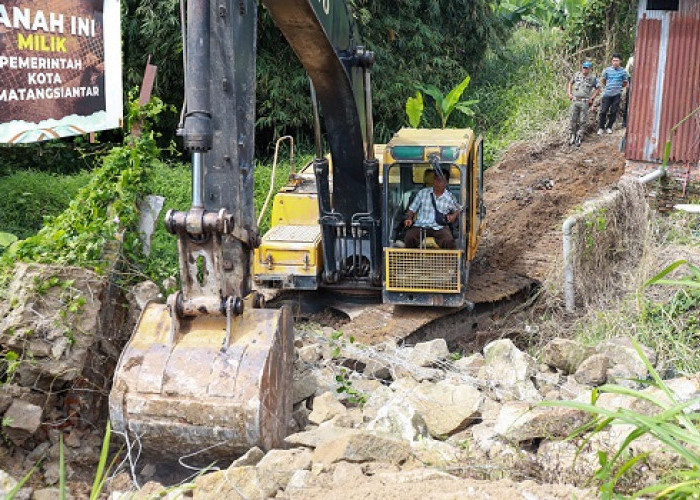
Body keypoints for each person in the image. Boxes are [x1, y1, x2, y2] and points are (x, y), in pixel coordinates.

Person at [403, 165, 460, 249]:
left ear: (446, 182)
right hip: (421, 225)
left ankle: (446, 261)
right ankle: (411, 260)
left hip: (439, 227)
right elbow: (412, 209)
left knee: (448, 241)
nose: (437, 183)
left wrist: (453, 216)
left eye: (440, 181)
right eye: (436, 180)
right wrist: (409, 218)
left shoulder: (450, 197)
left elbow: (458, 210)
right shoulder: (423, 193)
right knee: (409, 238)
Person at [567, 61, 600, 147]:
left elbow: (597, 88)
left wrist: (592, 98)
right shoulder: (577, 75)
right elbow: (570, 83)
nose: (584, 69)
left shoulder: (593, 78)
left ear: (589, 69)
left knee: (583, 120)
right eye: (583, 67)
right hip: (575, 100)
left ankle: (579, 136)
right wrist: (569, 93)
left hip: (584, 102)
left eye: (586, 68)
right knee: (572, 118)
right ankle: (572, 135)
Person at [597, 54, 629, 135]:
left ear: (620, 61)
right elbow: (604, 80)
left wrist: (618, 88)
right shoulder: (607, 70)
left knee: (613, 111)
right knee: (603, 111)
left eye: (616, 61)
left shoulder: (623, 71)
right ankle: (601, 127)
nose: (615, 62)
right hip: (607, 94)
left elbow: (625, 82)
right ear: (611, 61)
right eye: (613, 60)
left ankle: (609, 127)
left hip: (617, 94)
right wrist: (609, 87)